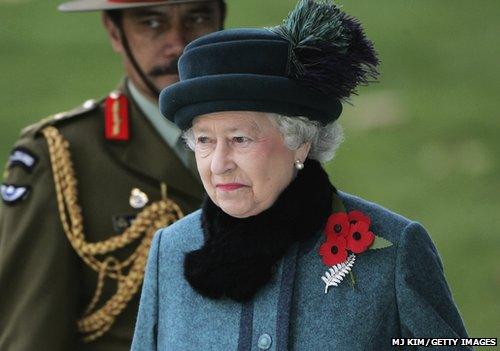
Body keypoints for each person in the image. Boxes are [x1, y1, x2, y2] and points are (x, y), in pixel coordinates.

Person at [131, 0, 471, 349]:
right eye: (204, 140)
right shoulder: (170, 250)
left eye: (239, 139)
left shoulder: (392, 250)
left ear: (300, 142)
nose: (219, 163)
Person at [0, 0, 225, 350]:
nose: (178, 43)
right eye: (151, 23)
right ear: (114, 31)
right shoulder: (63, 157)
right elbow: (31, 335)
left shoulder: (268, 141)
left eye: (197, 17)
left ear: (221, 21)